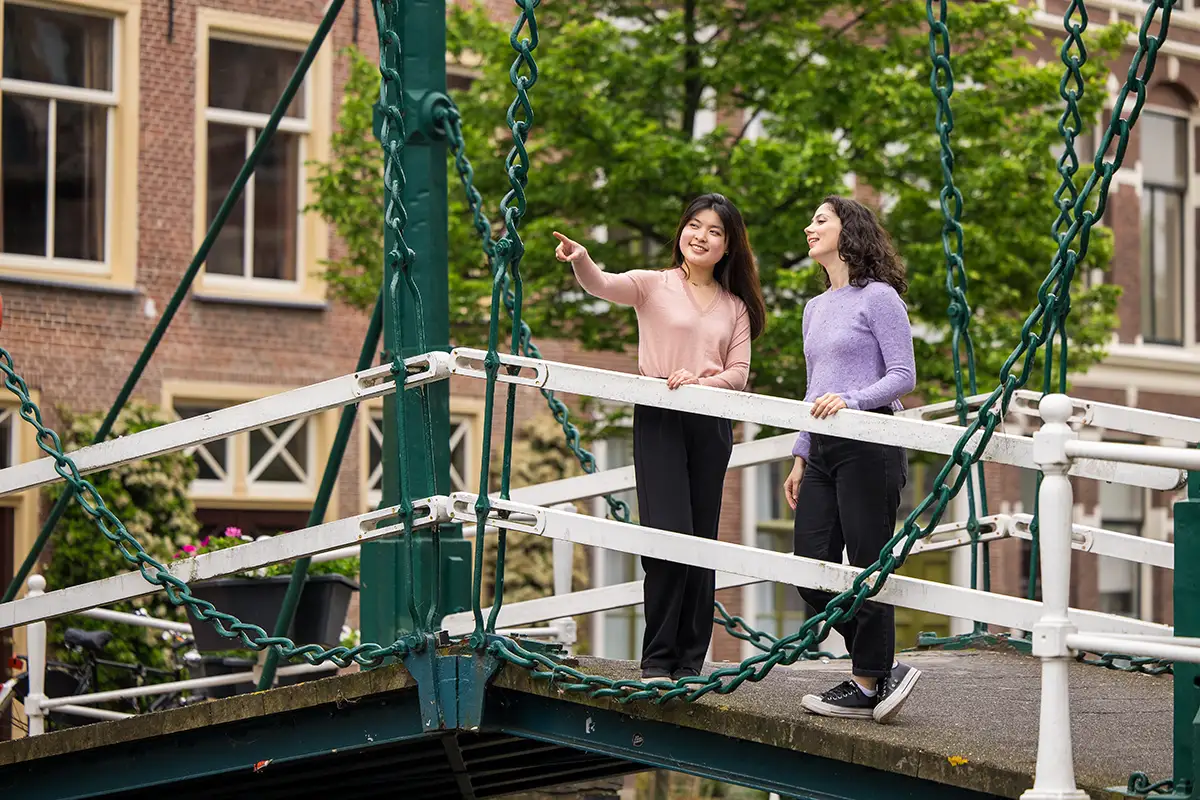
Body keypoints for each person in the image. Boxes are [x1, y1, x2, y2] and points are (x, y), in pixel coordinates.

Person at [553, 193, 766, 681]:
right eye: (694, 226)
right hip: (660, 418)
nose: (701, 236)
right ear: (681, 232)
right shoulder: (654, 285)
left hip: (710, 422)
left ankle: (691, 661)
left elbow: (738, 373)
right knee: (666, 537)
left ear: (728, 246)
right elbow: (603, 285)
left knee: (700, 542)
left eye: (714, 231)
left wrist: (700, 381)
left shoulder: (735, 307)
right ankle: (657, 659)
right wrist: (581, 259)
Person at [782, 195, 918, 724]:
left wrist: (855, 400)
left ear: (849, 231)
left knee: (866, 564)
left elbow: (902, 375)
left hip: (869, 440)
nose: (809, 226)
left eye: (820, 219)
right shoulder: (815, 307)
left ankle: (866, 680)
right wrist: (801, 452)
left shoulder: (878, 297)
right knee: (810, 571)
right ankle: (884, 665)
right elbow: (815, 386)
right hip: (822, 448)